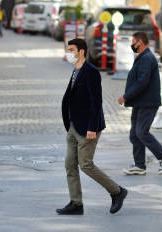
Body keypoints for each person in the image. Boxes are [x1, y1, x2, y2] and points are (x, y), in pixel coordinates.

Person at [57, 38, 128, 215]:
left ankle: (117, 191)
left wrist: (91, 127)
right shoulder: (76, 70)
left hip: (88, 127)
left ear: (81, 51)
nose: (69, 53)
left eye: (71, 50)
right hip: (74, 126)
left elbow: (96, 102)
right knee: (70, 164)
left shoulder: (91, 72)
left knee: (86, 164)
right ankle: (76, 203)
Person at [118, 31, 162, 176]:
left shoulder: (146, 58)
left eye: (133, 42)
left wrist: (126, 96)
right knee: (134, 134)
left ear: (140, 43)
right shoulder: (143, 57)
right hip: (140, 102)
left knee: (141, 132)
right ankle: (139, 165)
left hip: (148, 103)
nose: (132, 45)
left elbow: (142, 82)